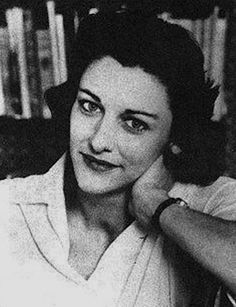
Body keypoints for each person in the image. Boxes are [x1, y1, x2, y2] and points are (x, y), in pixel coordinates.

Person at [1, 10, 236, 307]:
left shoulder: (210, 204)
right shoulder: (8, 206)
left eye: (134, 123)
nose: (98, 141)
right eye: (89, 106)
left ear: (175, 137)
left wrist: (158, 205)